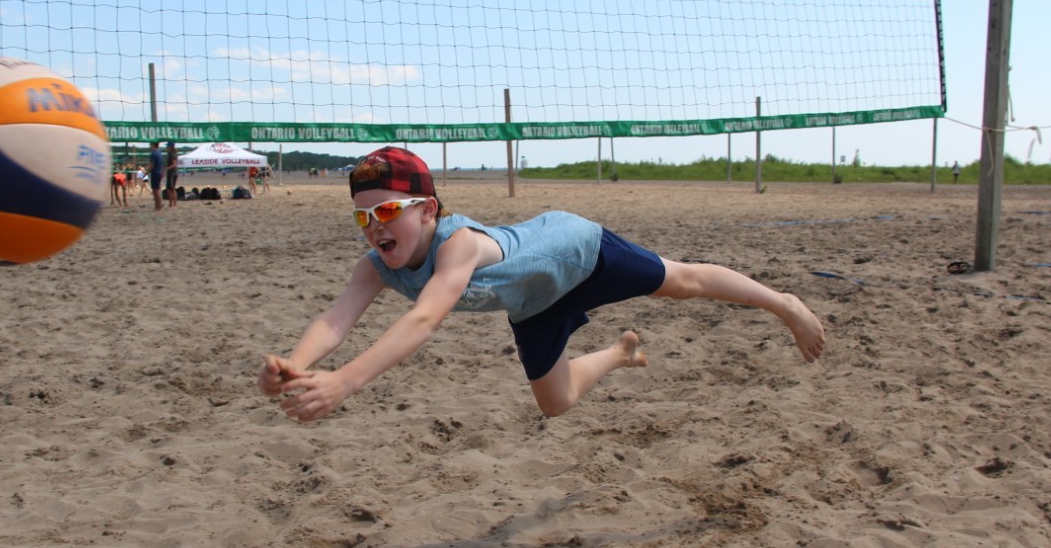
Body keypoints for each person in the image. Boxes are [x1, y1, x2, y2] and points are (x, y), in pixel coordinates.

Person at [259, 147, 826, 423]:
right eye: (362, 218)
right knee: (555, 404)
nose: (373, 228)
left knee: (682, 281)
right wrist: (297, 365)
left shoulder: (457, 245)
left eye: (386, 212)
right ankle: (621, 352)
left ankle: (784, 304)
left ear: (428, 209)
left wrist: (345, 383)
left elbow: (424, 318)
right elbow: (336, 320)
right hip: (533, 302)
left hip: (575, 253)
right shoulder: (375, 266)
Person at [148, 142, 164, 210]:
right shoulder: (159, 152)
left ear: (153, 145)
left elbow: (152, 165)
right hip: (159, 172)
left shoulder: (153, 153)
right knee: (158, 189)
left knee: (155, 190)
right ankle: (159, 204)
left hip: (155, 173)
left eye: (150, 145)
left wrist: (146, 172)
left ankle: (158, 206)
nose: (150, 146)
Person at [165, 141, 180, 207]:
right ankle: (172, 203)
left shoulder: (172, 154)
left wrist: (167, 168)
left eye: (167, 146)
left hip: (172, 173)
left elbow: (174, 164)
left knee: (170, 189)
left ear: (170, 147)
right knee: (170, 189)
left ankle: (172, 203)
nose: (166, 147)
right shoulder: (171, 154)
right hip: (172, 173)